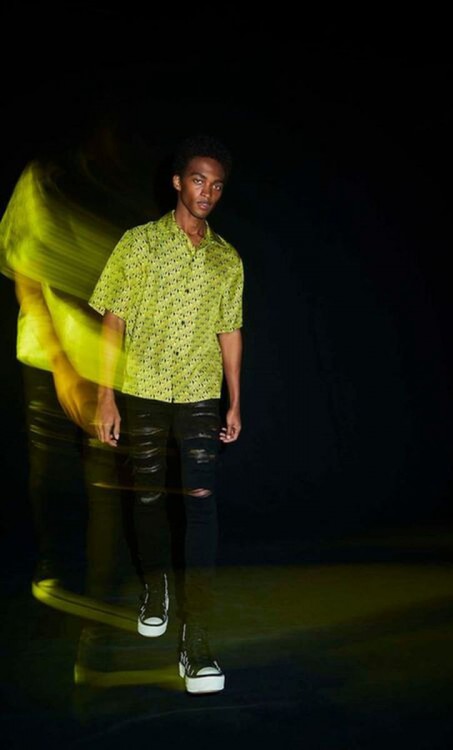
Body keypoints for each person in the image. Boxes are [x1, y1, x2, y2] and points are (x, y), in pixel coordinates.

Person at [89, 134, 244, 694]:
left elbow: (230, 330)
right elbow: (113, 320)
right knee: (149, 497)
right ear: (178, 182)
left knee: (201, 503)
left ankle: (195, 636)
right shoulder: (138, 243)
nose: (208, 192)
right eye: (199, 180)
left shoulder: (227, 257)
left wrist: (235, 399)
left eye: (217, 185)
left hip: (200, 394)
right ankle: (156, 587)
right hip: (143, 389)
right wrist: (105, 396)